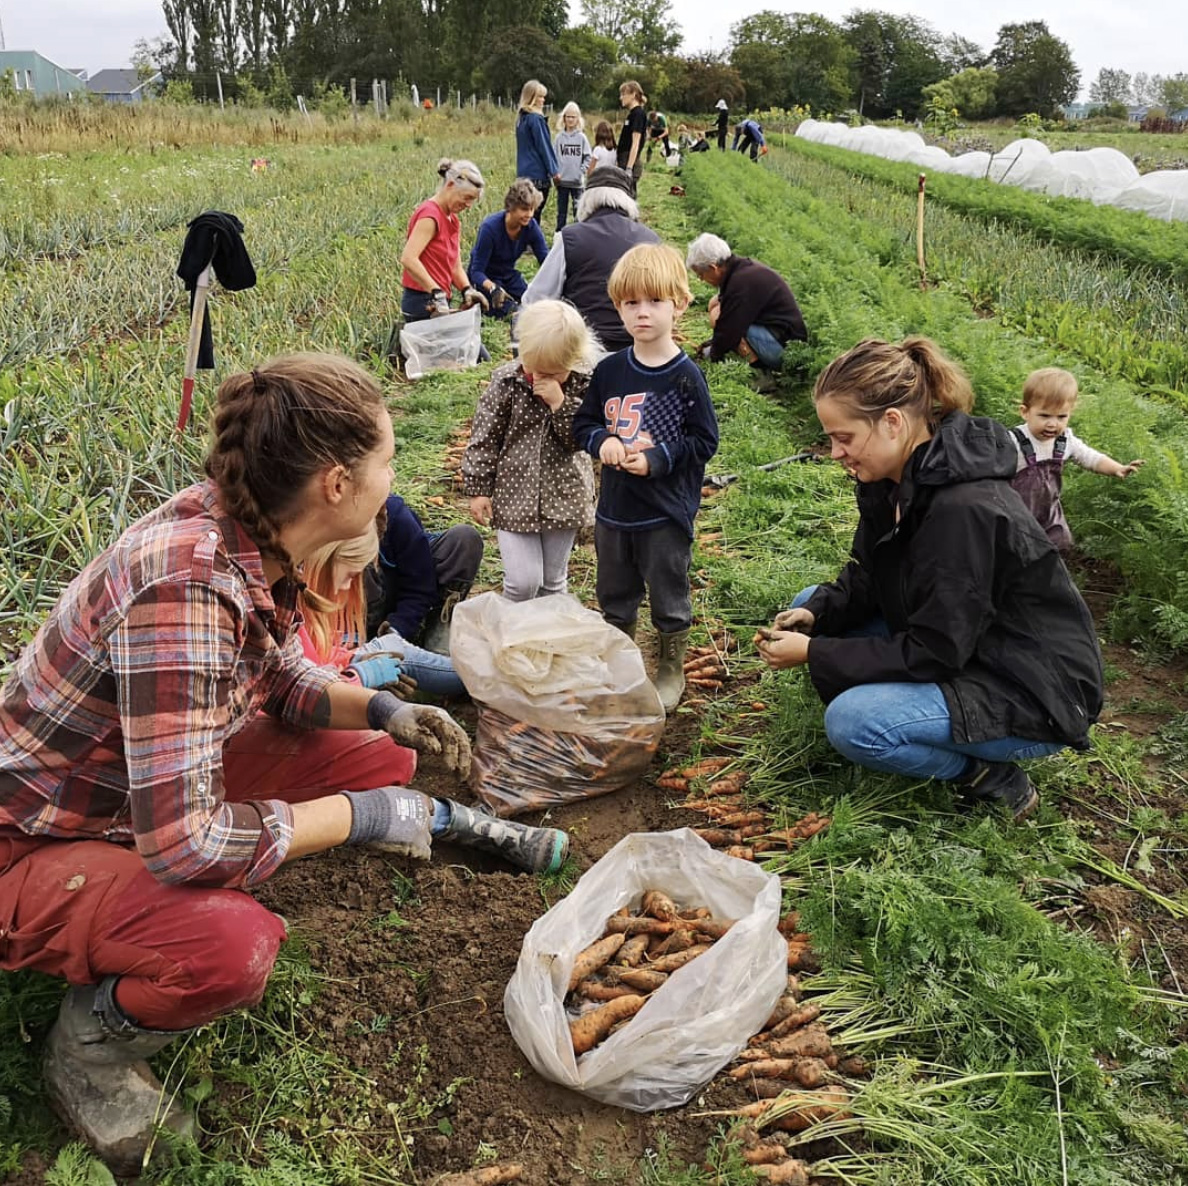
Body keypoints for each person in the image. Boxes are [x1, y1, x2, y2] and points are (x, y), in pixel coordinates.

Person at [0, 354, 568, 1175]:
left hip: (131, 793)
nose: (393, 474)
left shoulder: (243, 535)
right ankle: (88, 1045)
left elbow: (276, 674)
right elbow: (185, 845)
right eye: (389, 459)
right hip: (33, 839)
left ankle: (144, 905)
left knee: (376, 754)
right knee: (230, 947)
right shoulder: (185, 587)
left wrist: (382, 707)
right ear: (337, 483)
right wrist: (355, 819)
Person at [755, 337, 1104, 820]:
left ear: (892, 423)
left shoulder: (962, 510)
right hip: (970, 644)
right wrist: (818, 613)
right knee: (811, 602)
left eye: (844, 438)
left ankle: (990, 774)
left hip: (1030, 689)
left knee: (854, 723)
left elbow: (936, 649)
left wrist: (816, 653)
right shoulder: (889, 478)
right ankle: (902, 697)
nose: (835, 453)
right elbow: (869, 571)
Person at [573, 244, 720, 711]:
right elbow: (584, 423)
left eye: (654, 302)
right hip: (614, 511)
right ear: (618, 306)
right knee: (615, 593)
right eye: (630, 303)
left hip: (663, 511)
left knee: (667, 589)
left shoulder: (685, 377)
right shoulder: (610, 370)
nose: (642, 313)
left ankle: (670, 666)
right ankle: (621, 661)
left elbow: (703, 441)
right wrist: (604, 443)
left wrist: (657, 459)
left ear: (679, 304)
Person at [463, 301, 597, 602]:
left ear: (573, 361)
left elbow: (581, 441)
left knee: (553, 582)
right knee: (523, 582)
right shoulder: (507, 382)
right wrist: (479, 488)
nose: (540, 378)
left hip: (565, 495)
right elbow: (485, 437)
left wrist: (560, 405)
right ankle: (513, 636)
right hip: (514, 495)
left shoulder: (585, 384)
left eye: (552, 372)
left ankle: (547, 640)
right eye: (534, 368)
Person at [302, 529, 466, 700]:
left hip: (343, 653)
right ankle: (482, 676)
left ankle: (480, 674)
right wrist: (359, 675)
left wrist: (396, 628)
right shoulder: (292, 599)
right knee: (393, 649)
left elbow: (419, 590)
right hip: (331, 676)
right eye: (350, 576)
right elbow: (297, 686)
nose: (346, 587)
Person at [522, 167, 661, 353]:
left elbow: (535, 299)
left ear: (586, 200)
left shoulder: (570, 238)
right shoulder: (651, 240)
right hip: (640, 350)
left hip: (582, 350)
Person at [1009, 367, 1145, 552]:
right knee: (1016, 550)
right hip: (1017, 513)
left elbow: (1090, 457)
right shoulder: (1013, 441)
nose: (1053, 423)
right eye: (1044, 415)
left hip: (1049, 514)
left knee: (1057, 546)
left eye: (1061, 417)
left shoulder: (1065, 440)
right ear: (1025, 412)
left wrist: (1117, 468)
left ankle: (1051, 575)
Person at [366, 493, 484, 655]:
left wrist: (396, 629)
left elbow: (419, 586)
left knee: (465, 539)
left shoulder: (395, 513)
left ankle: (439, 618)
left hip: (398, 585)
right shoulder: (325, 522)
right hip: (356, 610)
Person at [686, 233, 808, 370]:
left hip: (785, 352)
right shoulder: (741, 269)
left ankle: (758, 370)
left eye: (701, 275)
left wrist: (712, 357)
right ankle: (751, 357)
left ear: (714, 268)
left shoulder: (740, 284)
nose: (701, 280)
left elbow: (728, 329)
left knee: (720, 317)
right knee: (715, 303)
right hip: (775, 334)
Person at [400, 158, 490, 323]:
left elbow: (454, 267)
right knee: (466, 348)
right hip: (422, 302)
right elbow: (408, 258)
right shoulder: (430, 215)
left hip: (439, 302)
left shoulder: (453, 221)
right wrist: (436, 293)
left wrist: (467, 290)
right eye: (467, 197)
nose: (469, 205)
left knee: (468, 347)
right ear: (450, 185)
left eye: (473, 200)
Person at [467, 179, 548, 319]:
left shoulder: (531, 226)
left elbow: (546, 261)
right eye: (524, 209)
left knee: (531, 301)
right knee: (508, 309)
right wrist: (493, 288)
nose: (529, 214)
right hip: (487, 278)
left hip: (508, 274)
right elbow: (476, 271)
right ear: (511, 207)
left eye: (532, 209)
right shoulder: (490, 228)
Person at [515, 79, 561, 223]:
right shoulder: (536, 119)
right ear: (532, 98)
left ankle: (524, 244)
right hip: (537, 174)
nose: (543, 100)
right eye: (540, 96)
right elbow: (544, 147)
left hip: (523, 173)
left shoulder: (521, 119)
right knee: (534, 215)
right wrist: (554, 171)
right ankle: (532, 245)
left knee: (524, 214)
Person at [553, 101, 592, 233]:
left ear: (578, 119)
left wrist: (581, 171)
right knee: (561, 212)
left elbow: (588, 157)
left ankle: (578, 236)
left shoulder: (582, 138)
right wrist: (555, 173)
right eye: (568, 116)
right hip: (562, 182)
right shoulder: (559, 138)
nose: (570, 119)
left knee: (578, 212)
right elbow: (553, 157)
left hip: (577, 183)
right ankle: (559, 236)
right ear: (563, 118)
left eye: (573, 117)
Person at [617, 80, 649, 191]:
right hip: (623, 160)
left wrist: (629, 168)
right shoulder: (632, 114)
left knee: (628, 198)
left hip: (629, 161)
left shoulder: (638, 114)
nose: (621, 97)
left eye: (623, 94)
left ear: (633, 94)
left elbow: (635, 143)